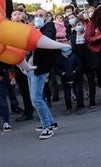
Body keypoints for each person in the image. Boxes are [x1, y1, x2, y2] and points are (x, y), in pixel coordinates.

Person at [30, 9, 60, 140]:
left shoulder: (49, 28)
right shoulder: (39, 29)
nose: (38, 18)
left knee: (36, 99)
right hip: (34, 67)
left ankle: (47, 127)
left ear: (47, 17)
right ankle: (51, 122)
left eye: (41, 16)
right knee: (37, 98)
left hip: (40, 68)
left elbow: (43, 42)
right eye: (36, 16)